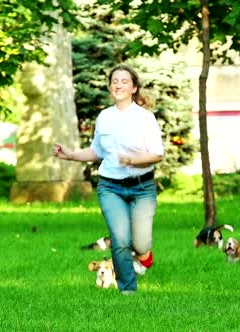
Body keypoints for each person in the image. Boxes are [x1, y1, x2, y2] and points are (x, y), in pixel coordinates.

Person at [53, 64, 164, 295]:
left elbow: (157, 154)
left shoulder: (145, 118)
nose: (118, 85)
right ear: (110, 87)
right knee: (120, 239)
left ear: (134, 87)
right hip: (110, 187)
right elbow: (97, 151)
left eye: (124, 81)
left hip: (142, 187)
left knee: (141, 243)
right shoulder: (104, 117)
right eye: (115, 81)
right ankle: (127, 291)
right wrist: (70, 155)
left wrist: (133, 161)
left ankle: (144, 256)